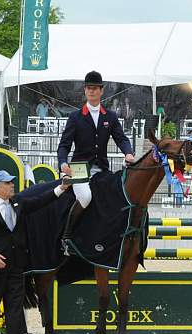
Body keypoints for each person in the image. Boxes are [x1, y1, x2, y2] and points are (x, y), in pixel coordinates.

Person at [0, 170, 70, 334]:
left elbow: (41, 200)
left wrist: (62, 188)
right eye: (8, 183)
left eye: (11, 182)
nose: (12, 185)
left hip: (16, 265)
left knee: (15, 305)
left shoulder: (19, 203)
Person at [57, 71, 135, 247]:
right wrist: (63, 163)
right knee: (84, 197)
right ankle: (67, 236)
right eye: (88, 88)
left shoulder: (110, 116)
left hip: (102, 168)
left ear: (101, 91)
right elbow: (64, 145)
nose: (91, 91)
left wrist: (128, 153)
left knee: (114, 196)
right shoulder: (75, 117)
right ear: (85, 91)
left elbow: (121, 138)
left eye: (95, 88)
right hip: (79, 168)